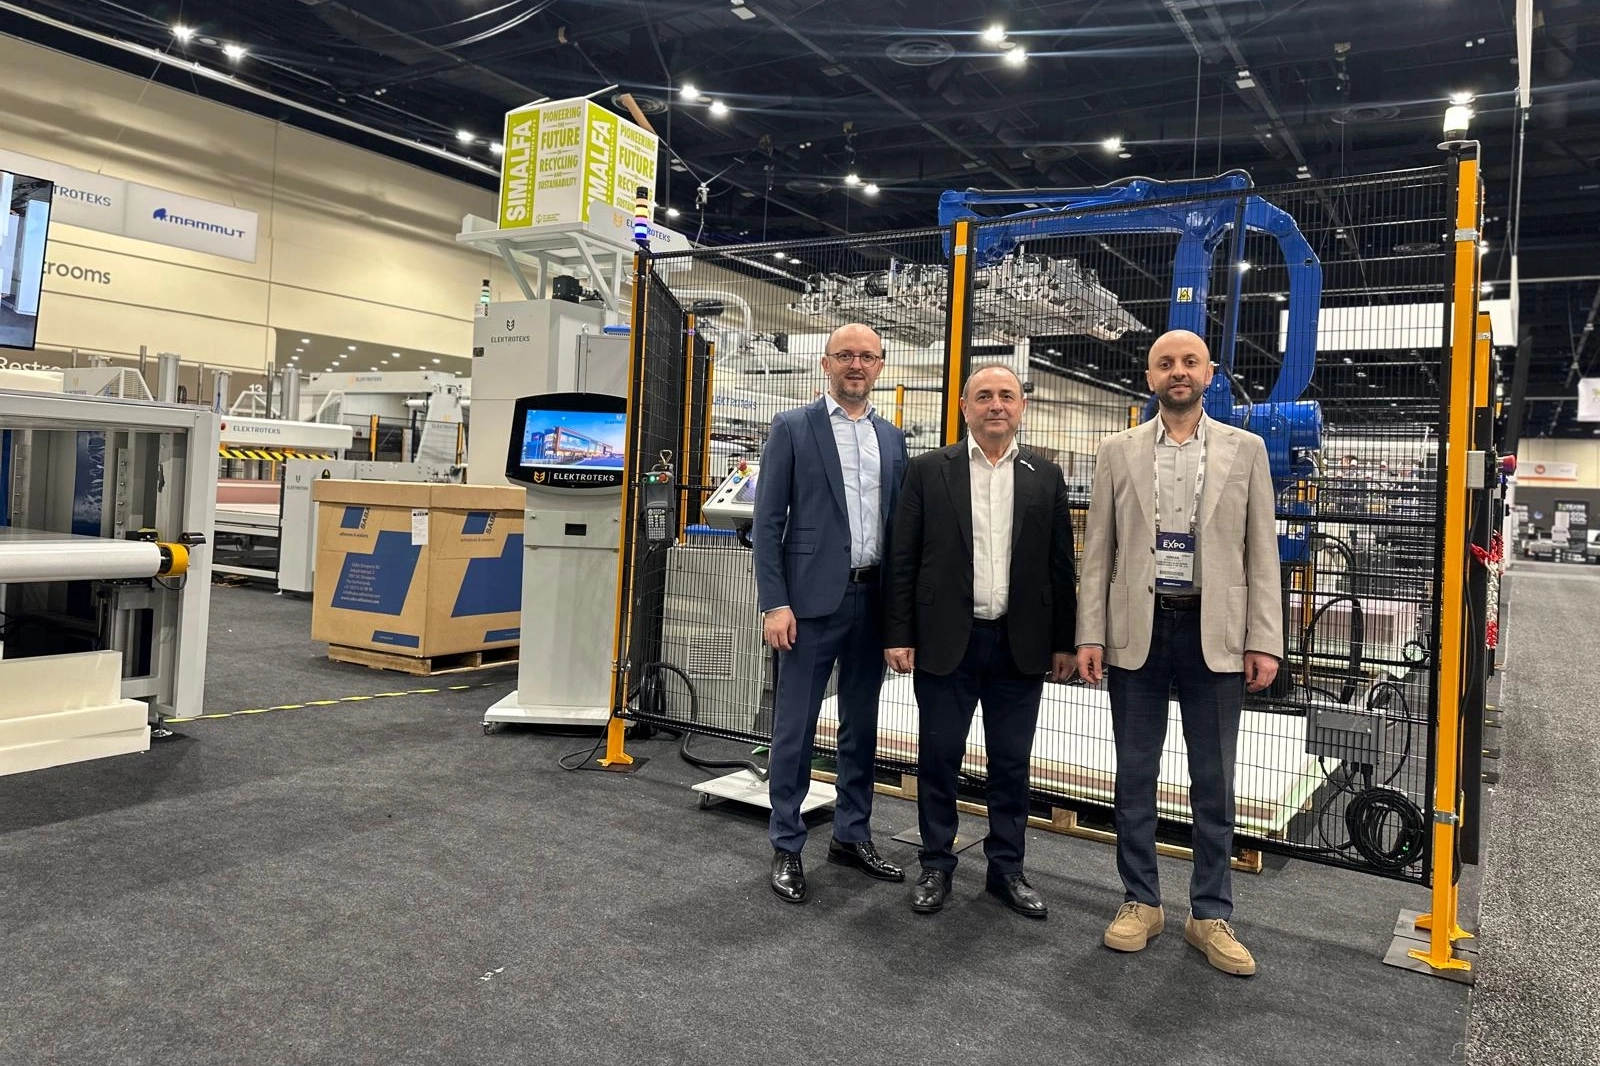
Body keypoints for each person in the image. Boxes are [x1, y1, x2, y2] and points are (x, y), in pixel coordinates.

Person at [1075, 329, 1283, 976]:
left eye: (1190, 362)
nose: (1178, 371)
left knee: (1213, 781)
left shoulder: (1246, 450)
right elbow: (1099, 551)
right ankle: (1141, 901)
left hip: (1214, 635)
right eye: (1165, 363)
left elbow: (1262, 552)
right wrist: (1089, 632)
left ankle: (1210, 913)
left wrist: (1264, 639)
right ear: (1150, 377)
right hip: (1138, 631)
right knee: (1134, 776)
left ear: (1209, 372)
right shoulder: (1118, 451)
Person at [883, 364, 1077, 918]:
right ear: (964, 407)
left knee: (1011, 763)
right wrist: (898, 632)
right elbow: (903, 556)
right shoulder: (929, 470)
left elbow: (1061, 565)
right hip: (947, 640)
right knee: (939, 758)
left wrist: (1064, 641)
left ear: (1021, 407)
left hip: (1019, 644)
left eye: (1007, 396)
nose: (996, 405)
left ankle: (1006, 869)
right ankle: (936, 864)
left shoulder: (1046, 476)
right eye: (984, 396)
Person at [753, 322, 908, 904]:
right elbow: (768, 522)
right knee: (795, 728)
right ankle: (787, 843)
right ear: (826, 364)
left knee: (860, 727)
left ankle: (851, 834)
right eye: (845, 355)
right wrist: (775, 602)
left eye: (867, 356)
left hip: (873, 601)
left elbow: (900, 530)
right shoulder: (794, 427)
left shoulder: (891, 439)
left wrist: (901, 615)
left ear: (880, 366)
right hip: (809, 606)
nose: (856, 365)